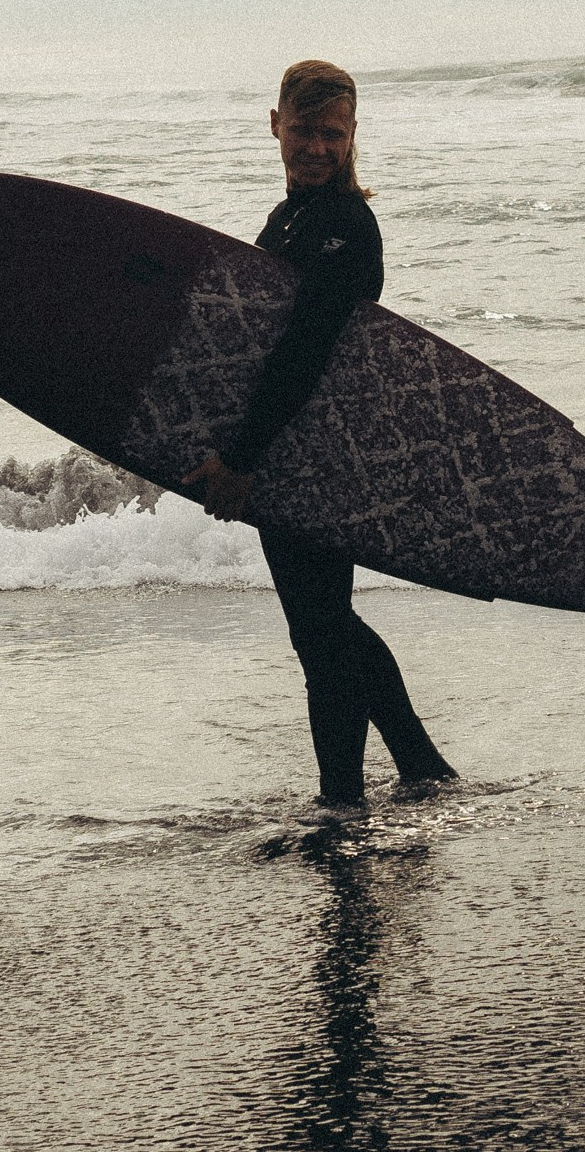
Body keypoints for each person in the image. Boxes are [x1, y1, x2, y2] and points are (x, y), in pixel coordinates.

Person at [182, 61, 457, 814]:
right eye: (303, 129)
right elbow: (258, 348)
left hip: (322, 454)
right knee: (323, 624)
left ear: (353, 135)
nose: (316, 145)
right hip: (293, 449)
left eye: (331, 132)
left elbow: (305, 348)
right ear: (274, 124)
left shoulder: (343, 222)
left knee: (321, 632)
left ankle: (343, 801)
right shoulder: (291, 218)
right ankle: (421, 766)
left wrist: (241, 459)